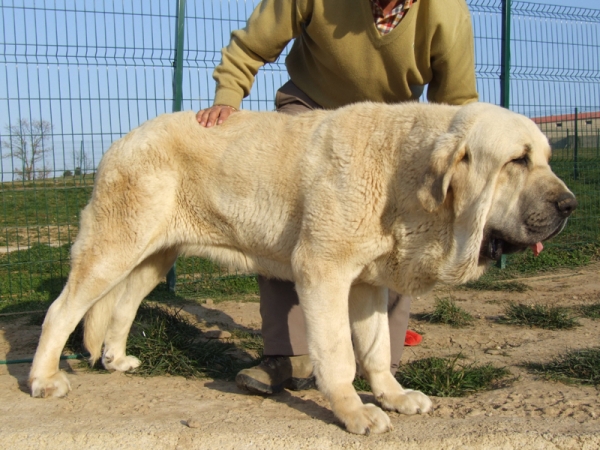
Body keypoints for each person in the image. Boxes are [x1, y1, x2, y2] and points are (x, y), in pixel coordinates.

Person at [197, 0, 478, 395]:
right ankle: (288, 356)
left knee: (400, 229)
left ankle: (381, 367)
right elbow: (250, 45)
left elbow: (458, 106)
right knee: (287, 221)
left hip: (389, 131)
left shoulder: (448, 12)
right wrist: (227, 97)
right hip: (312, 106)